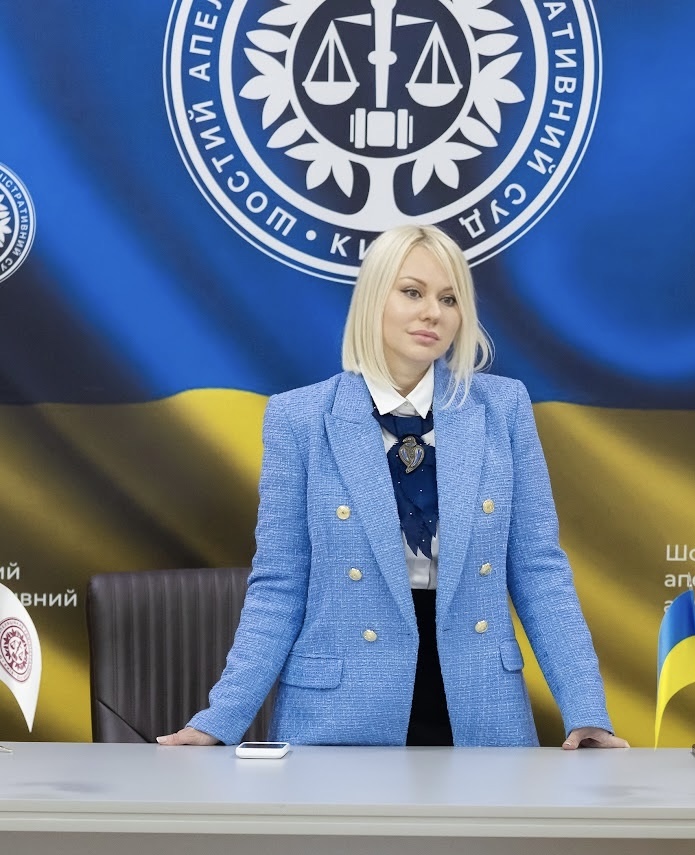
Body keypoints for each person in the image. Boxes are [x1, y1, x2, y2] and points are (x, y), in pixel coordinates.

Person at [159, 225, 626, 749]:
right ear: (373, 299)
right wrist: (219, 721)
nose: (433, 313)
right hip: (338, 711)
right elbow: (280, 586)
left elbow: (539, 571)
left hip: (479, 706)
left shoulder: (504, 408)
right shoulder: (298, 418)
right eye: (412, 292)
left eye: (449, 299)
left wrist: (587, 710)